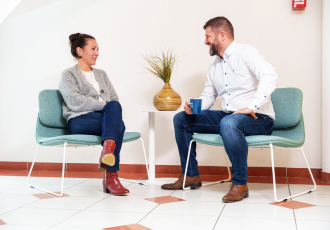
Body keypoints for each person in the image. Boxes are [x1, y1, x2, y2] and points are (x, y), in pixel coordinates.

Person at [161, 17, 278, 203]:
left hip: (259, 118)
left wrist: (252, 106)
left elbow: (270, 75)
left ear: (221, 35)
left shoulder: (246, 53)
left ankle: (240, 183)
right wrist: (195, 107)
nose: (205, 41)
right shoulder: (214, 67)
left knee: (229, 122)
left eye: (208, 36)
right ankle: (190, 175)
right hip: (229, 117)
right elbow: (208, 96)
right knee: (181, 119)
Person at [59, 33, 129, 195]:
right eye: (93, 49)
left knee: (114, 109)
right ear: (80, 51)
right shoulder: (68, 74)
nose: (97, 53)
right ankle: (110, 176)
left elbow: (114, 99)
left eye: (97, 49)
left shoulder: (101, 74)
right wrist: (108, 109)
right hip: (79, 120)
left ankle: (107, 152)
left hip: (103, 119)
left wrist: (111, 110)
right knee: (118, 123)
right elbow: (75, 102)